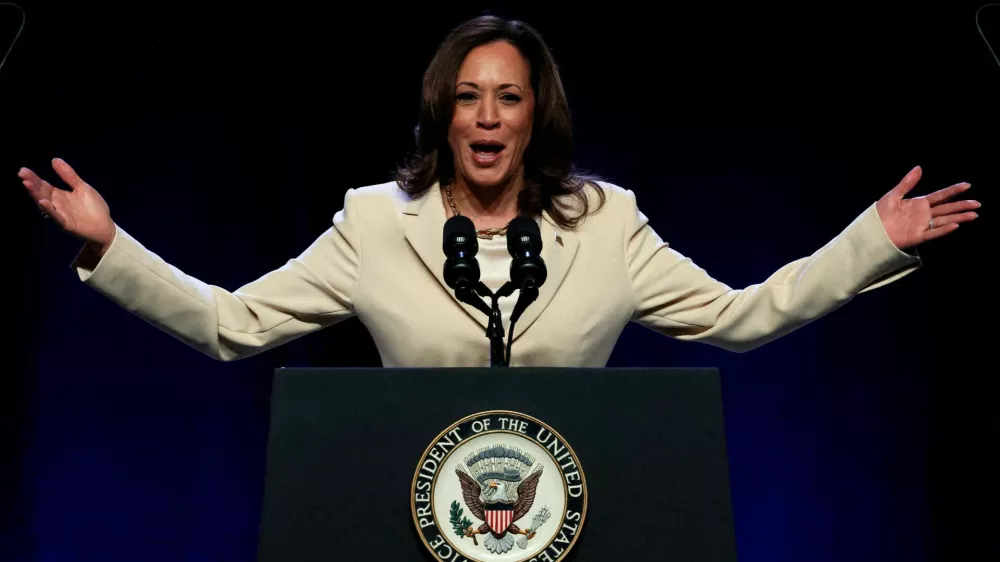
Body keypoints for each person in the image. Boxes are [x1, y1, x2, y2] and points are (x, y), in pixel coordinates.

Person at [18, 16, 979, 368]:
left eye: (507, 98)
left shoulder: (607, 223)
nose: (486, 117)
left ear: (533, 117)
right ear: (443, 116)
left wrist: (872, 242)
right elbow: (231, 325)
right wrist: (111, 243)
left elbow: (741, 317)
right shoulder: (372, 224)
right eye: (467, 98)